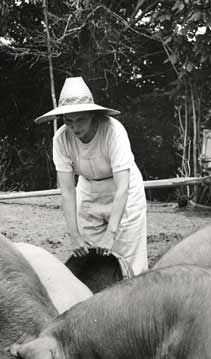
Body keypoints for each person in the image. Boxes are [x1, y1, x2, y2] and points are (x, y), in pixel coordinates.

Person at [35, 77, 148, 276]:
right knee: (92, 258)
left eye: (80, 120)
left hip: (123, 189)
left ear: (93, 115)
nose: (75, 128)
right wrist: (74, 234)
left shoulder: (112, 131)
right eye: (69, 122)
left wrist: (111, 233)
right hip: (87, 188)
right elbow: (68, 191)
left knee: (129, 258)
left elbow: (123, 186)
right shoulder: (61, 139)